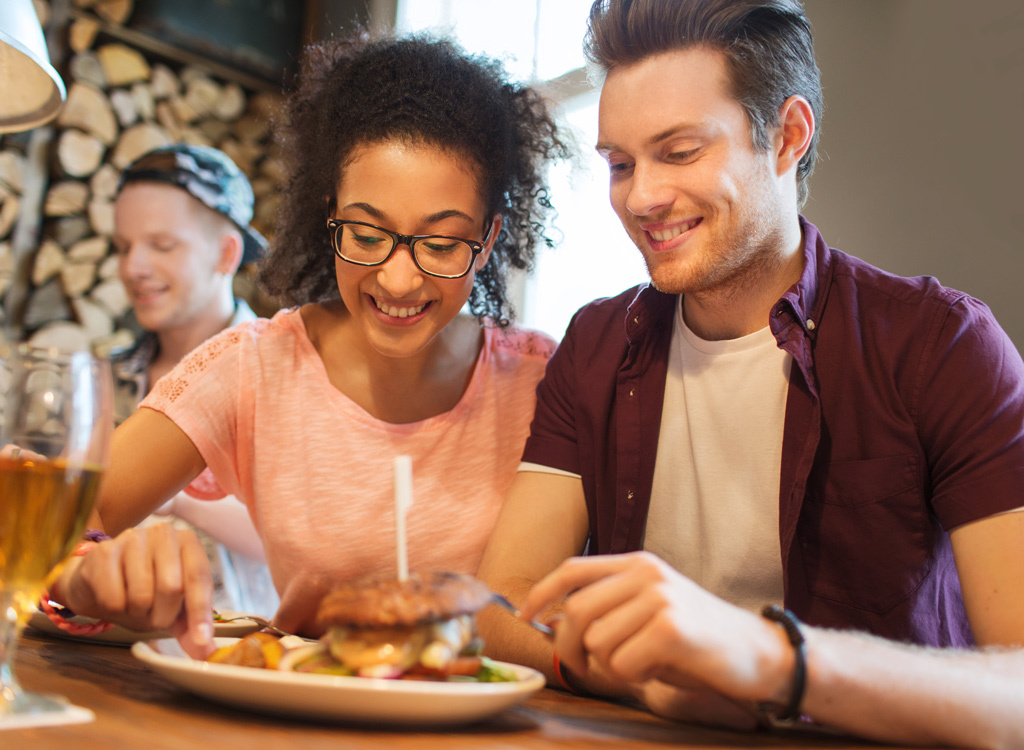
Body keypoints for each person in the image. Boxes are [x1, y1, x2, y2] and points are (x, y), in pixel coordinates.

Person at [477, 0, 1024, 744]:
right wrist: (639, 678)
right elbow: (499, 605)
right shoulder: (600, 342)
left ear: (788, 136)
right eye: (620, 164)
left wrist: (769, 659)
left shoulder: (942, 346)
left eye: (679, 152)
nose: (641, 197)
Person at [47, 31, 567, 657]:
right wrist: (84, 577)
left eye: (440, 243)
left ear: (486, 242)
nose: (398, 279)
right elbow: (59, 524)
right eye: (368, 234)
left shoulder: (545, 382)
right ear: (330, 216)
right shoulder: (252, 367)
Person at [111, 144, 277, 615]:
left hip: (238, 657)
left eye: (162, 245)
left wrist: (171, 496)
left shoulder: (286, 374)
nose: (132, 268)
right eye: (123, 247)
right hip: (96, 644)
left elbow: (314, 540)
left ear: (226, 254)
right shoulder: (104, 380)